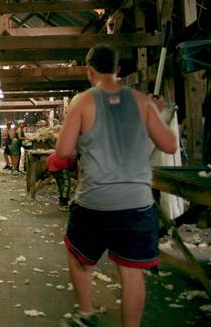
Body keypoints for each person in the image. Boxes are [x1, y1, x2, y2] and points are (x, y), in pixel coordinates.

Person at [56, 43, 177, 327]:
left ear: (89, 70)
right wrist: (154, 116)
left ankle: (86, 314)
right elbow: (170, 145)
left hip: (95, 201)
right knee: (131, 271)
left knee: (79, 257)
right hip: (137, 202)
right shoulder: (142, 101)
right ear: (118, 70)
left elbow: (63, 151)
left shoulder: (82, 101)